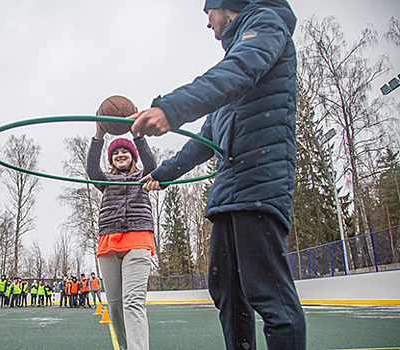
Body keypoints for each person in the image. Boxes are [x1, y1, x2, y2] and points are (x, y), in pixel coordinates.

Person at [132, 1, 306, 349]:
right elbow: (205, 139)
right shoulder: (233, 73)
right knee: (226, 291)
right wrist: (164, 173)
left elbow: (239, 69)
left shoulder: (266, 26)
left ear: (228, 6)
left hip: (260, 183)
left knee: (267, 292)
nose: (207, 22)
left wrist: (172, 107)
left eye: (208, 11)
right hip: (231, 190)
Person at [86, 123, 156, 350]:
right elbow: (92, 170)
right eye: (115, 153)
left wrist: (137, 136)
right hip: (108, 244)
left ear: (133, 156)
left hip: (138, 241)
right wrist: (99, 136)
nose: (120, 155)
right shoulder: (104, 181)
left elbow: (152, 164)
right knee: (115, 305)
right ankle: (127, 347)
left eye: (124, 151)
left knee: (133, 303)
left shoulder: (144, 177)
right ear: (111, 160)